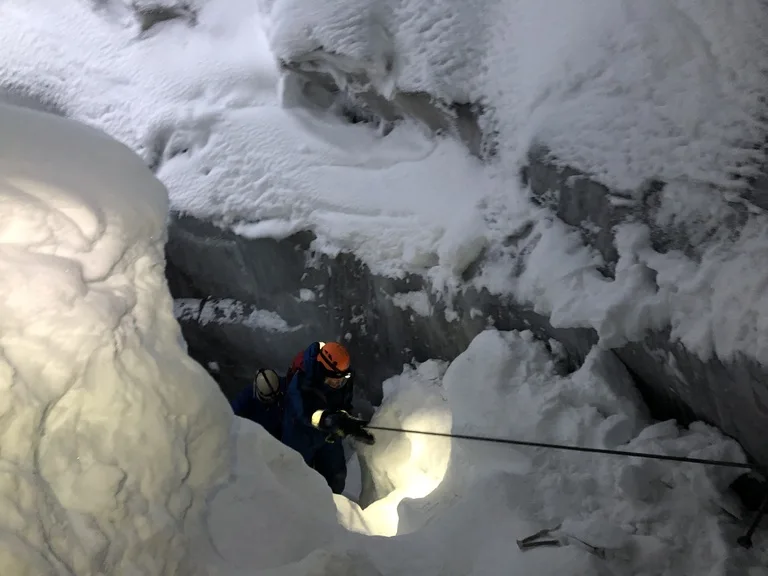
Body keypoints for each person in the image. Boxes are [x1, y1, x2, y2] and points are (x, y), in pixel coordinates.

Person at [281, 341, 375, 494]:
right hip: (300, 435)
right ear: (323, 371)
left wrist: (348, 423)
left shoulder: (343, 379)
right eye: (334, 380)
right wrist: (329, 420)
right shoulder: (301, 382)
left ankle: (331, 504)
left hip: (329, 435)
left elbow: (344, 404)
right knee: (295, 481)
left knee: (336, 477)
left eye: (341, 380)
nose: (338, 384)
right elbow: (305, 414)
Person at [230, 368, 285, 440]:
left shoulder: (282, 384)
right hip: (256, 435)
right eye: (269, 400)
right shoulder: (246, 398)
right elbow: (231, 413)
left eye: (276, 397)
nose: (273, 401)